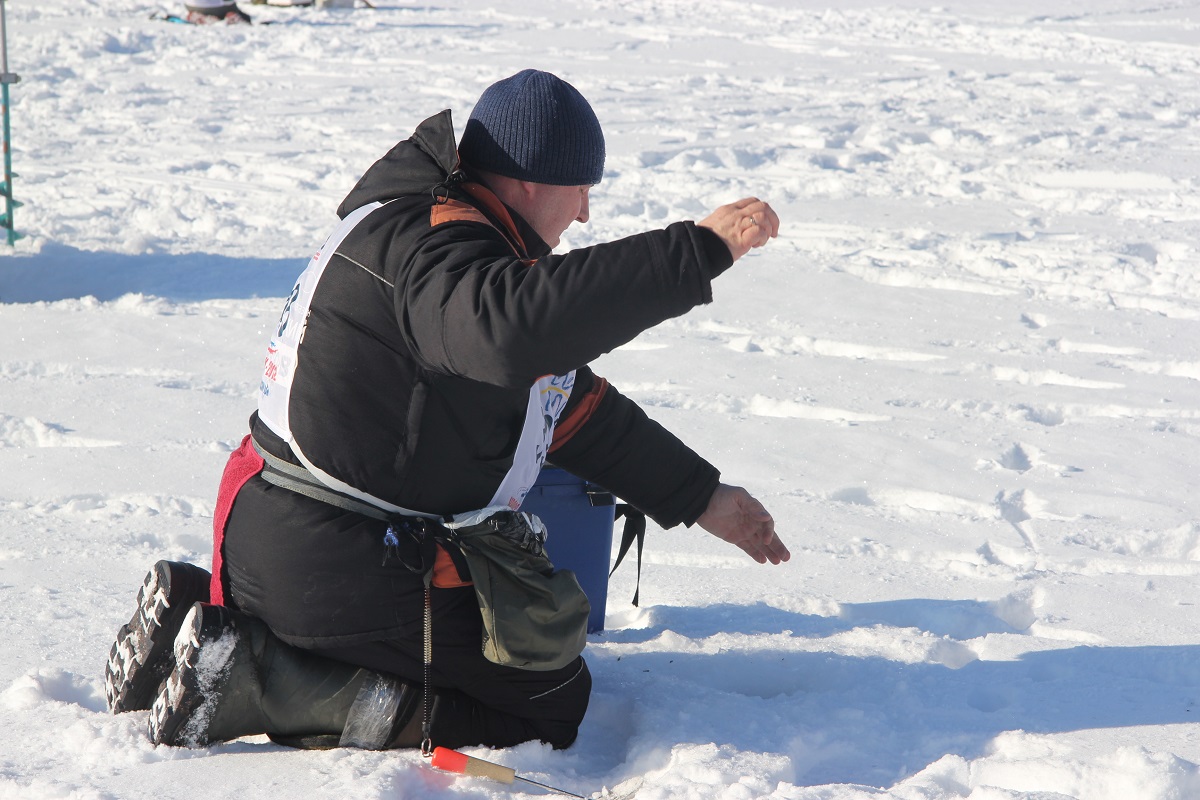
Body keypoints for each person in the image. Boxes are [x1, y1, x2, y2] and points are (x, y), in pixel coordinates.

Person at [104, 69, 789, 753]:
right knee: (548, 698)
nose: (584, 212)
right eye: (581, 188)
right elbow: (514, 332)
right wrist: (695, 251)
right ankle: (260, 678)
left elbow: (564, 402)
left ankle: (200, 630)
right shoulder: (442, 256)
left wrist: (701, 496)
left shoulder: (429, 236)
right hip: (337, 562)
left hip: (283, 543)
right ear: (529, 181)